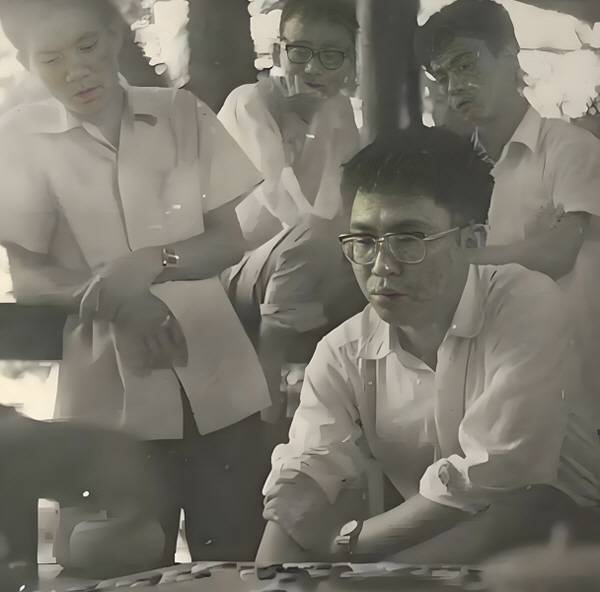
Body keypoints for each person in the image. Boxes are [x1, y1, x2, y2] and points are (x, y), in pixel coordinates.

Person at [0, 0, 272, 566]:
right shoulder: (21, 137)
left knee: (235, 559)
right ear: (26, 62)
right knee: (115, 563)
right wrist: (122, 303)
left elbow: (229, 239)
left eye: (88, 46)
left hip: (216, 372)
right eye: (50, 59)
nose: (76, 70)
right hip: (108, 397)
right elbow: (29, 279)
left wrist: (151, 262)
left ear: (115, 35)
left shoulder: (179, 113)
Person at [255, 127, 600, 566]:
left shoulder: (525, 303)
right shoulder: (342, 352)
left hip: (567, 544)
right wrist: (271, 572)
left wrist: (346, 543)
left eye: (409, 240)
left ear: (472, 242)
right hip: (430, 550)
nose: (382, 266)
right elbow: (299, 487)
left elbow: (497, 480)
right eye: (364, 241)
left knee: (519, 505)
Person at [415, 0, 600, 428]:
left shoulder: (569, 147)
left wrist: (454, 257)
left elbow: (558, 253)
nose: (455, 86)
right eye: (443, 76)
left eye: (466, 64)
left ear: (509, 54)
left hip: (570, 382)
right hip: (484, 376)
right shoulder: (457, 169)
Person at [219, 0, 365, 419]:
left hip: (309, 260)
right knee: (316, 238)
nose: (313, 68)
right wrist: (298, 128)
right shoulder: (249, 103)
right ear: (278, 51)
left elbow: (339, 200)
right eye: (300, 51)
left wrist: (314, 125)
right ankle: (265, 403)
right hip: (237, 266)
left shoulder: (337, 110)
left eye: (331, 55)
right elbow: (283, 202)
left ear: (349, 63)